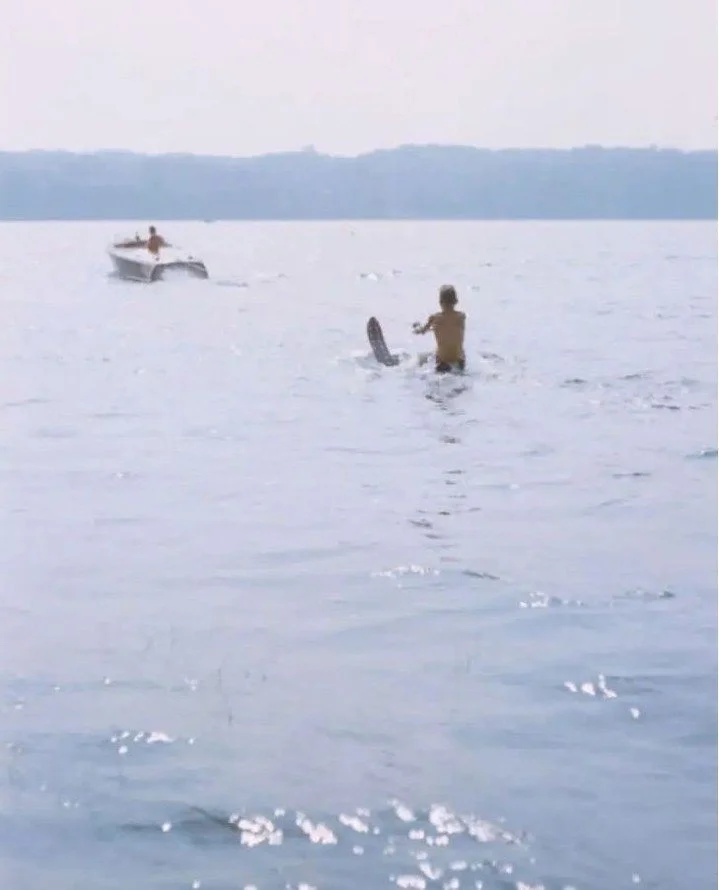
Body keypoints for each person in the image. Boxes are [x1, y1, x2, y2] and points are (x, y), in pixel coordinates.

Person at [412, 284, 466, 373]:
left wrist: (417, 328)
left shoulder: (435, 318)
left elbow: (422, 331)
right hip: (459, 362)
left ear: (440, 302)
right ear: (456, 301)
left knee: (421, 359)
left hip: (442, 362)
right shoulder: (461, 317)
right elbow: (450, 329)